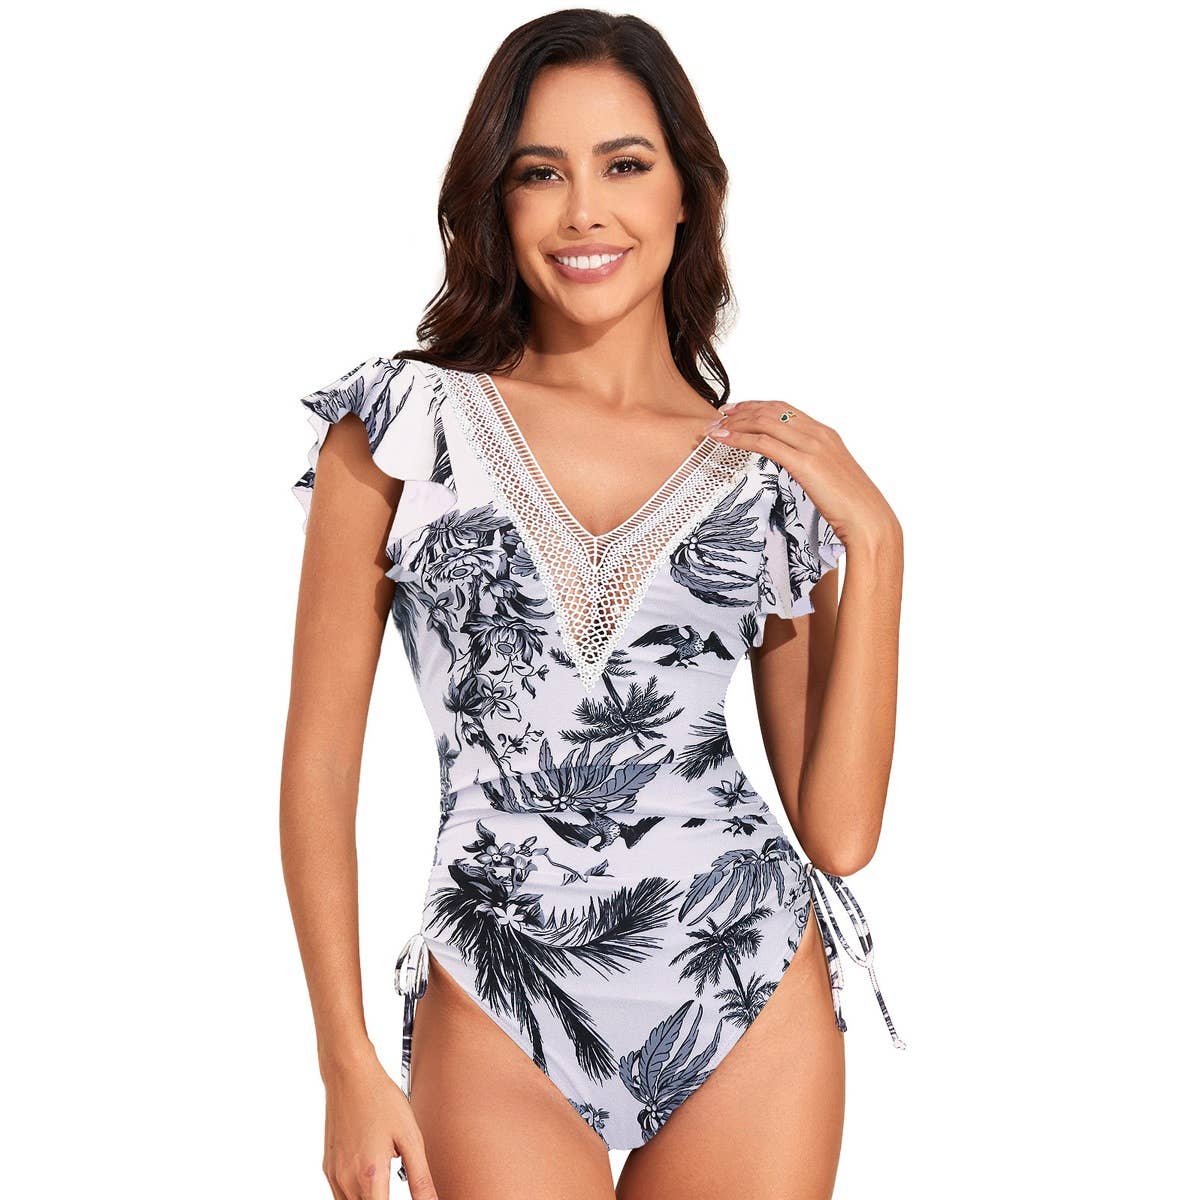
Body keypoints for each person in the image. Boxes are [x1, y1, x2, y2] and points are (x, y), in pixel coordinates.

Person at [281, 11, 905, 1199]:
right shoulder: (406, 429)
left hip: (749, 987)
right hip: (495, 989)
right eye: (539, 173)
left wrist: (875, 545)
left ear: (686, 195)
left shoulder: (766, 474)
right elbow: (318, 764)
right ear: (496, 201)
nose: (583, 213)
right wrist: (345, 1060)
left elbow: (838, 836)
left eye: (624, 165)